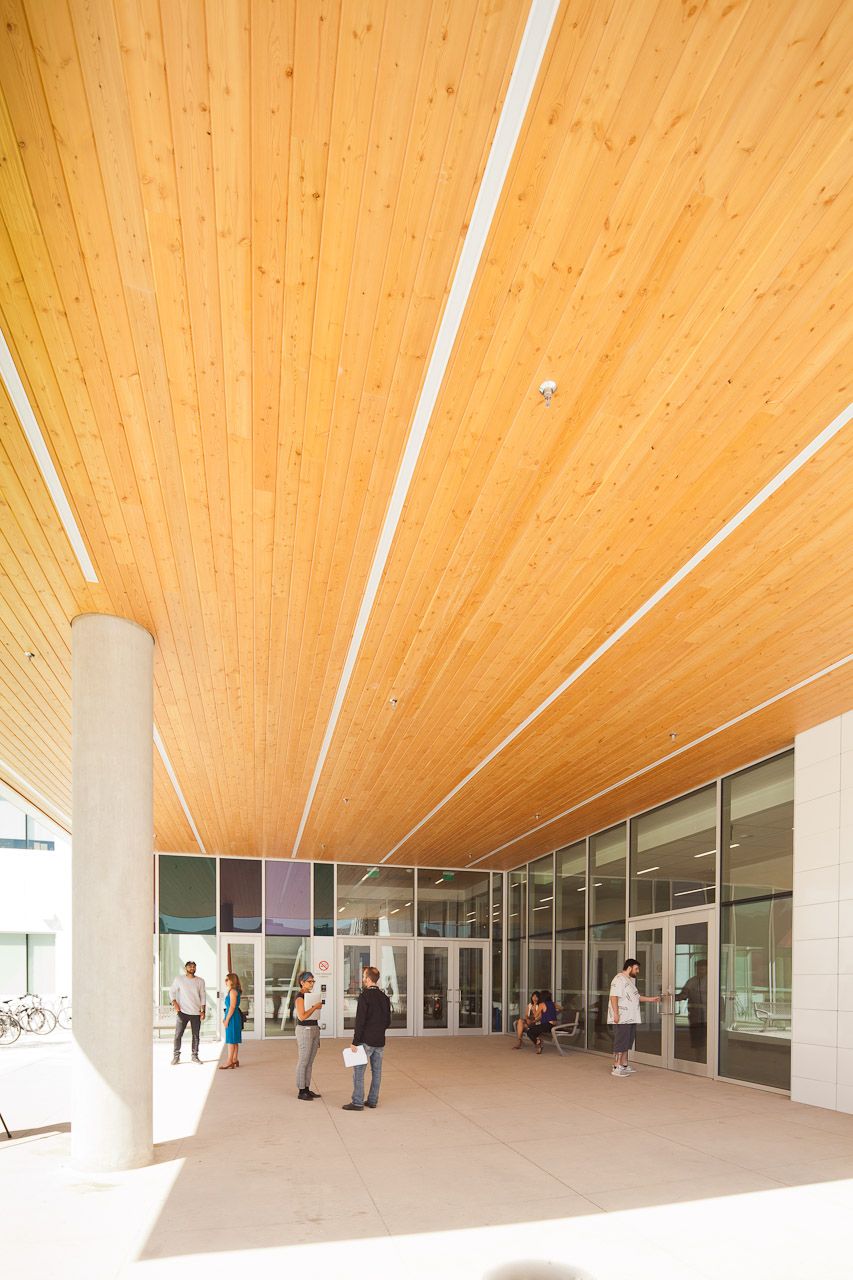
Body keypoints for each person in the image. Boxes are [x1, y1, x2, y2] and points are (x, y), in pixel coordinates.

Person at [342, 965, 392, 1111]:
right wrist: (379, 1030)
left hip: (365, 1041)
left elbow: (360, 1021)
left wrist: (354, 1042)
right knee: (377, 1072)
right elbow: (387, 1021)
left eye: (364, 976)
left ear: (369, 979)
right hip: (380, 1041)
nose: (363, 979)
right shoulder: (384, 997)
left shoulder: (364, 996)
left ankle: (357, 1102)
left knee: (359, 1072)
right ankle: (372, 1100)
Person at [608, 957, 660, 1076]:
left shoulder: (628, 981)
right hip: (622, 1017)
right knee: (621, 1041)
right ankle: (617, 1066)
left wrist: (652, 999)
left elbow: (637, 997)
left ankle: (624, 1064)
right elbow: (613, 997)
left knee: (627, 1041)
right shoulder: (618, 979)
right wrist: (616, 1013)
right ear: (629, 967)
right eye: (636, 969)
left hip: (630, 1017)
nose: (638, 971)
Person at [170, 959, 207, 1065]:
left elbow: (203, 996)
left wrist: (203, 1010)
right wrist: (174, 1003)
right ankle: (176, 1056)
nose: (192, 968)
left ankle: (194, 1056)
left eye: (194, 966)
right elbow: (172, 991)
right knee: (178, 1035)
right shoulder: (179, 979)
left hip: (196, 1013)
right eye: (190, 966)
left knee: (196, 1035)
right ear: (185, 968)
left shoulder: (200, 981)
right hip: (182, 1012)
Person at [294, 971, 323, 1101]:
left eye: (313, 981)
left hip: (314, 1028)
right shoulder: (300, 997)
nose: (312, 984)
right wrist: (314, 1007)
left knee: (310, 1062)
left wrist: (317, 1008)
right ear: (302, 982)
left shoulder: (311, 996)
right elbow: (302, 1016)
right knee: (303, 1061)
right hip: (304, 1029)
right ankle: (301, 1090)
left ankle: (307, 1087)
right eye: (309, 981)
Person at [675, 959, 708, 1055]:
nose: (700, 971)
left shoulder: (712, 981)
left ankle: (708, 1060)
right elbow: (684, 995)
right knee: (697, 1040)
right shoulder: (691, 981)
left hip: (709, 1016)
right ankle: (699, 1059)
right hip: (695, 1016)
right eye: (698, 969)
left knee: (710, 1040)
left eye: (702, 969)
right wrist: (671, 998)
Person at [526, 989, 559, 1055]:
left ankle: (538, 1043)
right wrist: (556, 1012)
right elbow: (561, 1008)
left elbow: (535, 1016)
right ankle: (538, 1042)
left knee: (529, 1031)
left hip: (547, 1025)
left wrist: (534, 1007)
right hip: (553, 1025)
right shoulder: (553, 1004)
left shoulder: (542, 1004)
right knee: (534, 1030)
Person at [220, 972, 242, 1069]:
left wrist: (227, 1019)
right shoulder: (233, 991)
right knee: (234, 1039)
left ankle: (229, 1061)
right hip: (233, 1015)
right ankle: (234, 1059)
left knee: (231, 1040)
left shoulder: (233, 991)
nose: (225, 981)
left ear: (232, 981)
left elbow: (232, 1007)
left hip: (232, 1016)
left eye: (227, 979)